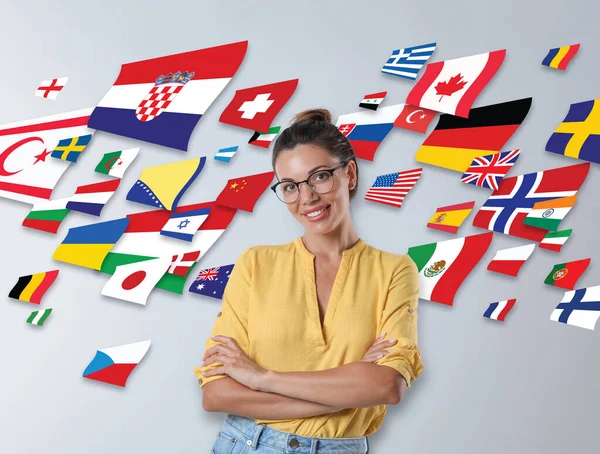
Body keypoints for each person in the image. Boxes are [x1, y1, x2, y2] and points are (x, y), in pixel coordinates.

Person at [194, 109, 424, 454]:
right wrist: (345, 393)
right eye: (290, 186)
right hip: (246, 444)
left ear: (349, 174)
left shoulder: (393, 271)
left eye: (319, 177)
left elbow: (386, 385)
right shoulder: (256, 263)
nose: (307, 197)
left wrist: (262, 378)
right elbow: (216, 393)